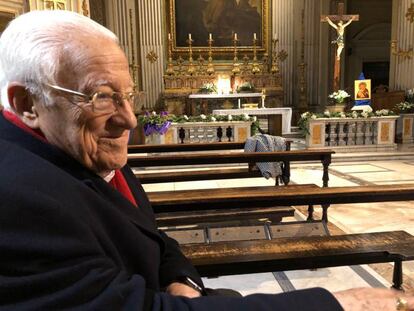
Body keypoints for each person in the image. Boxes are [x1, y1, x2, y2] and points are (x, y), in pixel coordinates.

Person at [0, 10, 412, 311]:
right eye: (102, 97)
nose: (128, 119)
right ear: (27, 104)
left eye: (129, 95)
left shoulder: (81, 145)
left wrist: (180, 277)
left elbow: (152, 238)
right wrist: (340, 302)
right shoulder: (16, 199)